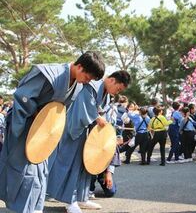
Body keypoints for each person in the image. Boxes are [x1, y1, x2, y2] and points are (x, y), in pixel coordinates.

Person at [0, 52, 105, 213]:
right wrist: (36, 115)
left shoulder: (77, 84)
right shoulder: (48, 74)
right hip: (25, 125)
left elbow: (61, 110)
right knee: (25, 169)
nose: (87, 82)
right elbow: (23, 97)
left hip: (46, 130)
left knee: (41, 170)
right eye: (87, 77)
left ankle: (35, 207)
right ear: (79, 66)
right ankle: (26, 208)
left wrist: (52, 126)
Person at [47, 70, 130, 213]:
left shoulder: (105, 93)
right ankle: (70, 200)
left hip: (88, 133)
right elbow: (84, 107)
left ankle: (82, 197)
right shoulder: (91, 86)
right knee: (71, 166)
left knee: (85, 167)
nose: (117, 92)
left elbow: (98, 110)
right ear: (111, 80)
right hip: (75, 130)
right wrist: (96, 117)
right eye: (118, 89)